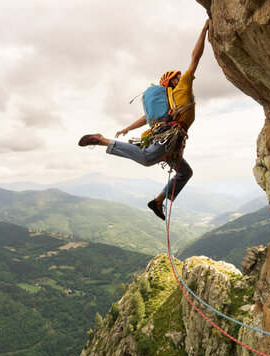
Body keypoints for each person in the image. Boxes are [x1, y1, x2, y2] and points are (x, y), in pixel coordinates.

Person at [79, 20, 210, 220]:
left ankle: (158, 201)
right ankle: (103, 140)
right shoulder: (182, 88)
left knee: (185, 172)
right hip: (168, 138)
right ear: (173, 81)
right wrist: (203, 31)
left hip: (170, 140)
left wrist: (126, 129)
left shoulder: (168, 103)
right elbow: (195, 57)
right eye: (178, 76)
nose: (181, 77)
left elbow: (145, 119)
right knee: (147, 158)